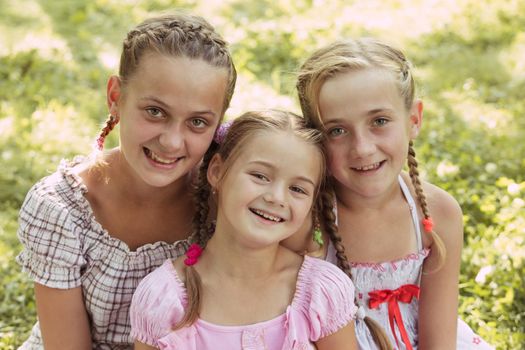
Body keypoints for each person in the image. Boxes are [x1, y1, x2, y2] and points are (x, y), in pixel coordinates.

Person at [16, 12, 236, 349]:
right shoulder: (61, 210)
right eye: (155, 111)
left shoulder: (224, 205)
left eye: (197, 122)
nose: (172, 142)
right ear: (116, 97)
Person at [295, 38, 493, 349]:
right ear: (314, 138)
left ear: (414, 120)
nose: (362, 148)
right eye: (337, 130)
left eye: (379, 121)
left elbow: (438, 340)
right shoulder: (306, 220)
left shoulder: (437, 213)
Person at [129, 110, 360, 350]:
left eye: (298, 189)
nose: (276, 198)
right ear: (217, 171)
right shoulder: (164, 299)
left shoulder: (321, 293)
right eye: (260, 176)